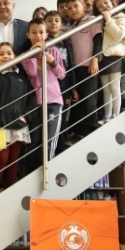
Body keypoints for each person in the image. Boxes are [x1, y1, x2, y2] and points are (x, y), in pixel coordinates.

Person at [0, 43, 34, 199]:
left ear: (15, 56)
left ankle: (9, 197)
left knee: (13, 161)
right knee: (1, 158)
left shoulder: (22, 77)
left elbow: (32, 99)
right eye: (1, 54)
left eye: (9, 53)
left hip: (19, 125)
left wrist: (26, 116)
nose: (6, 56)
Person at [21, 18, 65, 163]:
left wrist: (52, 60)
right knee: (35, 140)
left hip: (54, 101)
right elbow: (32, 72)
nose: (38, 36)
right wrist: (33, 54)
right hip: (36, 103)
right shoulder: (25, 55)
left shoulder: (53, 50)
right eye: (34, 32)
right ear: (28, 35)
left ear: (46, 34)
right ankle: (33, 170)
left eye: (41, 32)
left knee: (50, 139)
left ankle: (48, 167)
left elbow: (62, 75)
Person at [66, 0, 102, 137]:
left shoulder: (92, 20)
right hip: (75, 69)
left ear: (84, 6)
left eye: (76, 6)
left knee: (89, 100)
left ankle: (92, 130)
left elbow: (98, 40)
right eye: (69, 8)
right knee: (77, 101)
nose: (73, 10)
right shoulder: (69, 27)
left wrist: (95, 59)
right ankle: (80, 132)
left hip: (89, 66)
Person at [44, 10, 76, 153]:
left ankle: (60, 150)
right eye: (50, 20)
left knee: (64, 119)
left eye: (56, 20)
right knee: (51, 120)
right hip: (50, 86)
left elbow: (71, 65)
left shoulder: (66, 42)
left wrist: (73, 87)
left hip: (66, 84)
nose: (53, 23)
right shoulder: (44, 42)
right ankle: (50, 152)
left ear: (61, 24)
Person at [93, 0, 125, 123]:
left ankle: (115, 115)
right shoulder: (98, 21)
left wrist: (108, 20)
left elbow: (118, 35)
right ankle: (107, 116)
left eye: (106, 2)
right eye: (100, 6)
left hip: (115, 55)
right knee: (106, 89)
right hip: (103, 58)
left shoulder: (121, 17)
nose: (103, 6)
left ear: (112, 2)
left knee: (114, 87)